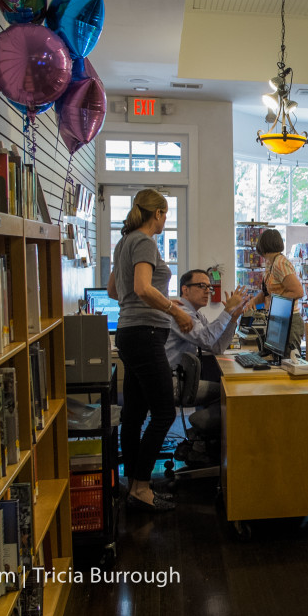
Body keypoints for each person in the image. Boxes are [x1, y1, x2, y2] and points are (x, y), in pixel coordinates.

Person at [108, 188, 194, 513]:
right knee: (164, 412)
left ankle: (133, 484)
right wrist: (175, 311)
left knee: (134, 413)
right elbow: (143, 288)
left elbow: (115, 290)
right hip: (145, 333)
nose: (165, 220)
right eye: (165, 214)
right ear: (157, 213)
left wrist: (156, 303)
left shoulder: (123, 242)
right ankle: (142, 486)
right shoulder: (144, 241)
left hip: (129, 331)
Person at [165, 269, 250, 436]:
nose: (207, 291)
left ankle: (202, 437)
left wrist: (233, 319)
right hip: (171, 381)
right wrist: (227, 311)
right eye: (201, 286)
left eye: (209, 287)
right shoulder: (179, 314)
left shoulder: (196, 315)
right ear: (185, 289)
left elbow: (216, 347)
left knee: (226, 389)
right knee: (228, 393)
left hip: (182, 378)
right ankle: (199, 435)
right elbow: (207, 339)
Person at [245, 229, 305, 356]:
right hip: (278, 318)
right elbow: (267, 292)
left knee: (290, 360)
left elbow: (298, 291)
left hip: (289, 320)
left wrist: (275, 303)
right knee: (276, 359)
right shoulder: (269, 263)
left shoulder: (280, 263)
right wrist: (253, 302)